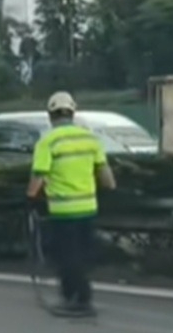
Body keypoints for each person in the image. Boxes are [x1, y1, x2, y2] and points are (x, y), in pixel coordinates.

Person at [27, 91, 117, 317]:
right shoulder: (89, 138)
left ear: (50, 115)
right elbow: (107, 177)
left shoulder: (48, 141)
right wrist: (109, 190)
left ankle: (76, 299)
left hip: (63, 211)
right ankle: (80, 296)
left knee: (66, 257)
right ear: (73, 113)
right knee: (82, 255)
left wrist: (29, 200)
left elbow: (39, 176)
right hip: (88, 208)